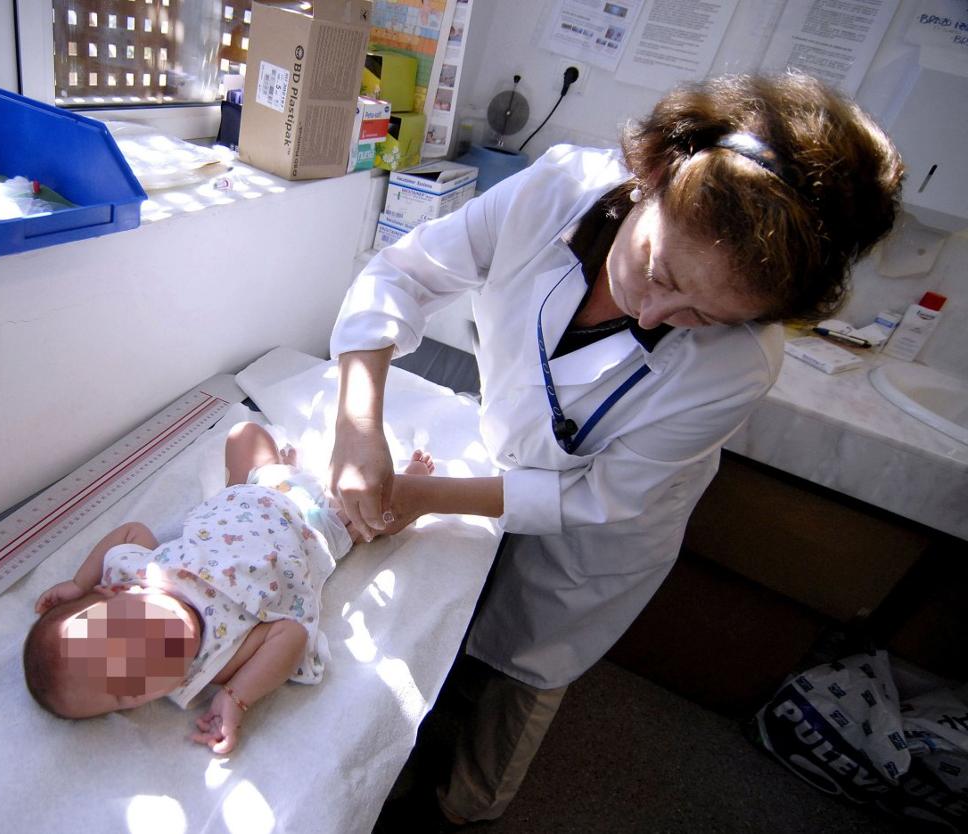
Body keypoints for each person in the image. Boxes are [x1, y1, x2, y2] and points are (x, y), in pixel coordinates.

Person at [328, 73, 903, 823]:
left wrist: (425, 494)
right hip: (505, 463)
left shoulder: (739, 366)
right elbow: (403, 275)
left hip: (597, 546)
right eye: (660, 271)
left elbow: (596, 496)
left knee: (512, 690)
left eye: (703, 314)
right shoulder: (556, 189)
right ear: (654, 173)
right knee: (437, 646)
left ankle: (460, 813)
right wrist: (357, 425)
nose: (655, 311)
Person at [23, 420, 436, 754]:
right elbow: (289, 633)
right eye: (124, 695)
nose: (139, 667)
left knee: (243, 434)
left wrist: (79, 584)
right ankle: (413, 487)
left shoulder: (140, 573)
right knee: (375, 517)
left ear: (115, 595)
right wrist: (238, 697)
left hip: (252, 492)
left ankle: (288, 467)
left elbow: (131, 531)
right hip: (318, 527)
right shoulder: (213, 662)